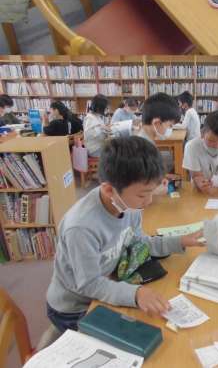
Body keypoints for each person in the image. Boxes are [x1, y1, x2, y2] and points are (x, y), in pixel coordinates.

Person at [46, 136, 204, 333]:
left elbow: (138, 243)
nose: (148, 201)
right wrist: (136, 294)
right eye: (142, 194)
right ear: (109, 190)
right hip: (75, 307)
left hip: (107, 283)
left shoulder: (128, 204)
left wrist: (180, 241)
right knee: (141, 336)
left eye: (151, 192)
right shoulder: (81, 228)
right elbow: (88, 284)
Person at [183, 110, 218, 195]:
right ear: (202, 133)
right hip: (199, 191)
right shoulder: (192, 146)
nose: (217, 146)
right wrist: (201, 184)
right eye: (211, 140)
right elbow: (196, 175)